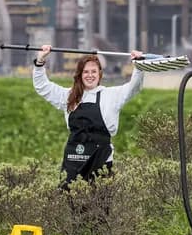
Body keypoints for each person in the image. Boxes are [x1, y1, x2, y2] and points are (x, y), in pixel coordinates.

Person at [31, 44, 144, 188]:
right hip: (73, 163)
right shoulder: (69, 96)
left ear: (99, 74)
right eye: (86, 72)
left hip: (101, 162)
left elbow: (134, 87)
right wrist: (40, 61)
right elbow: (42, 86)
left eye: (93, 71)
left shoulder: (111, 95)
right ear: (80, 74)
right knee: (69, 200)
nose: (90, 75)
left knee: (100, 201)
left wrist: (138, 66)